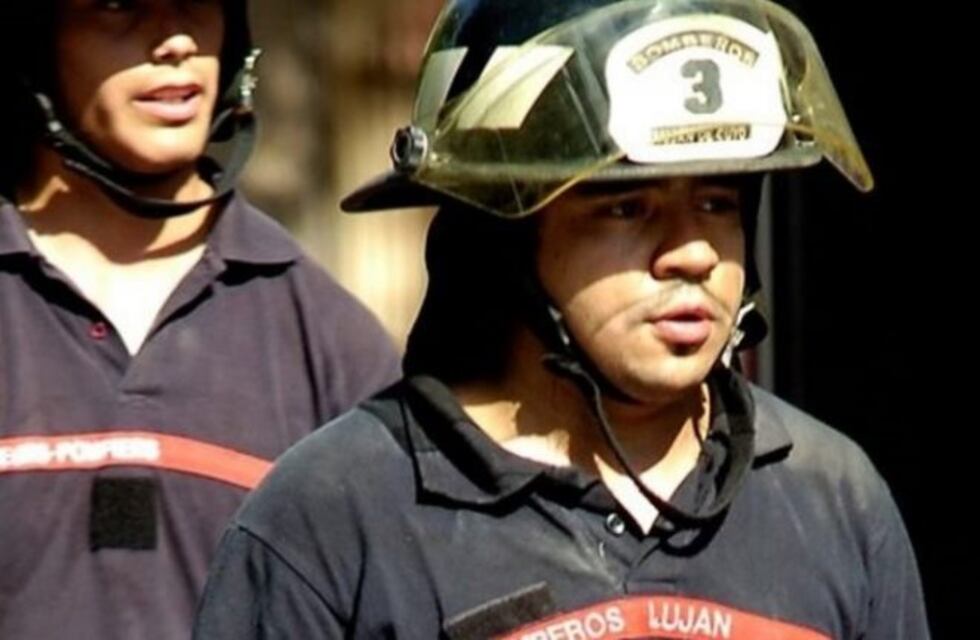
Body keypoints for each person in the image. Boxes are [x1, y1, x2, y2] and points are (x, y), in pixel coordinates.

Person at [193, 0, 929, 638]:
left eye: (717, 202)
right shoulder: (332, 520)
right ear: (500, 238)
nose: (693, 253)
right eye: (625, 207)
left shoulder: (834, 498)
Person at [0, 1, 400, 638]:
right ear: (31, 42)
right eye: (118, 6)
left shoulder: (333, 346)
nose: (175, 39)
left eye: (198, 4)